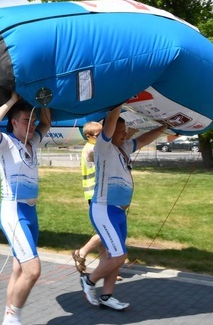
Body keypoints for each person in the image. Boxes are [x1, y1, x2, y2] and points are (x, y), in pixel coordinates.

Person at [80, 104, 168, 310]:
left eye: (125, 132)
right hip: (104, 209)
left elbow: (145, 139)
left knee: (114, 257)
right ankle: (89, 281)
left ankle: (107, 296)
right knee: (120, 255)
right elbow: (110, 124)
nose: (124, 135)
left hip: (119, 212)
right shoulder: (103, 147)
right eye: (120, 132)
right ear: (109, 134)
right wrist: (118, 104)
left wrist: (163, 126)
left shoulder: (125, 147)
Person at [0, 92, 51, 325]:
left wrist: (42, 104)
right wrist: (12, 101)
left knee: (18, 269)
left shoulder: (32, 141)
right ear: (13, 122)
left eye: (31, 121)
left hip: (30, 212)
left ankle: (6, 319)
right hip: (13, 212)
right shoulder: (6, 142)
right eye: (25, 120)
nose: (31, 125)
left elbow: (47, 124)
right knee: (32, 271)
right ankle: (14, 319)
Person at [71, 121, 105, 274]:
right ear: (88, 136)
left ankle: (106, 268)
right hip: (95, 194)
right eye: (98, 135)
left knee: (103, 232)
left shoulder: (94, 146)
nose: (102, 138)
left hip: (98, 193)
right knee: (106, 231)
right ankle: (82, 253)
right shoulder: (91, 148)